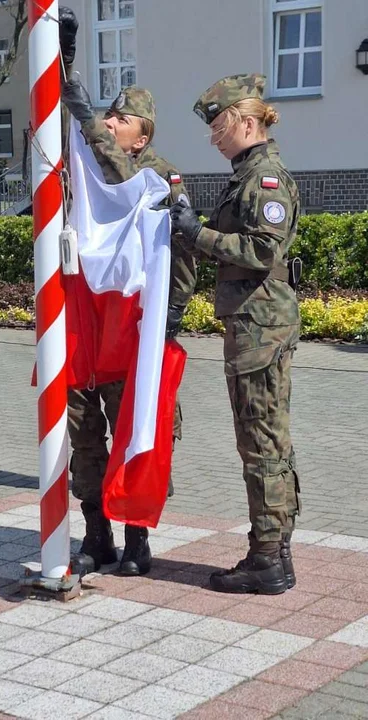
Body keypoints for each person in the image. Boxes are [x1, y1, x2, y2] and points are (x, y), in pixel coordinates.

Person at [59, 10, 197, 578]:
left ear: (142, 135)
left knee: (136, 431)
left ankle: (137, 538)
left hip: (133, 331)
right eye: (108, 115)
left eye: (121, 119)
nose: (111, 123)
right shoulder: (89, 170)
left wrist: (170, 319)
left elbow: (177, 255)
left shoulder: (156, 177)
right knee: (84, 435)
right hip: (87, 330)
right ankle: (97, 534)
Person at [170, 74, 301, 595]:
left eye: (219, 125)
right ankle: (276, 552)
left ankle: (268, 558)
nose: (213, 136)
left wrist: (194, 232)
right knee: (267, 439)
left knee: (262, 442)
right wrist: (196, 229)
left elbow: (261, 252)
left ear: (248, 122)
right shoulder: (246, 175)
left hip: (260, 328)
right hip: (256, 324)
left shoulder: (264, 178)